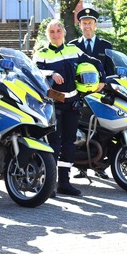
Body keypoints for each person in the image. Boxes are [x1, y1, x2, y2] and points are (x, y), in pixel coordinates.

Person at [33, 19, 105, 197]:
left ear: (64, 33)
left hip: (72, 103)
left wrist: (102, 79)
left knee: (69, 144)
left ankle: (64, 182)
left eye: (58, 31)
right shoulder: (41, 54)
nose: (56, 34)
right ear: (47, 35)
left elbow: (96, 62)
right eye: (52, 32)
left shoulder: (74, 50)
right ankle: (49, 184)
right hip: (52, 103)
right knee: (53, 144)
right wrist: (51, 73)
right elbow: (33, 73)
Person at [69, 7, 113, 179]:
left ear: (95, 25)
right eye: (84, 23)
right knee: (81, 129)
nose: (87, 26)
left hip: (99, 96)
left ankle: (99, 165)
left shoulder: (105, 46)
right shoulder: (73, 46)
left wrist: (105, 84)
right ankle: (81, 167)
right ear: (80, 25)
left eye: (90, 23)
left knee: (102, 129)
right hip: (79, 96)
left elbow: (111, 70)